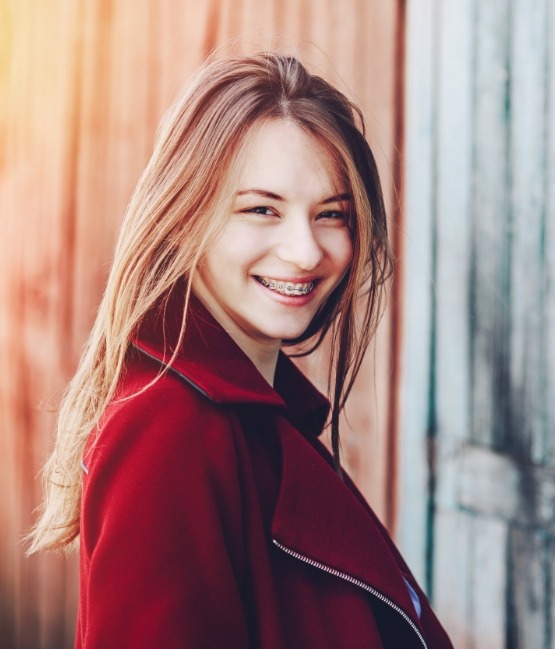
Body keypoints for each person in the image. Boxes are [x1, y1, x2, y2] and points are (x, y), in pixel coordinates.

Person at [28, 51, 453, 648]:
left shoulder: (255, 416)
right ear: (184, 217)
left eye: (332, 214)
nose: (306, 252)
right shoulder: (168, 430)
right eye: (261, 210)